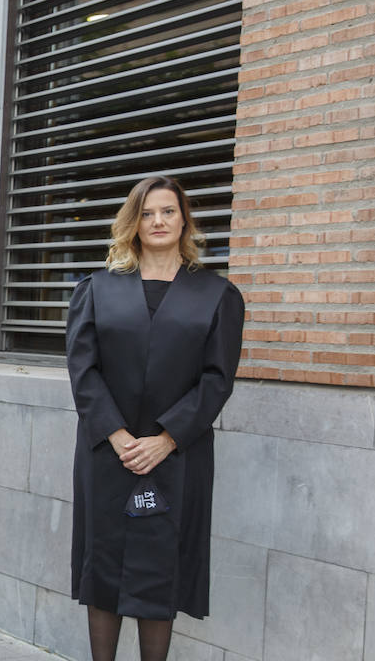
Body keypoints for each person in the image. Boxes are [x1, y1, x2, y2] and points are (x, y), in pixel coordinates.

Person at [66, 176, 244, 661]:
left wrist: (166, 439)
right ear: (133, 223)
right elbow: (83, 370)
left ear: (184, 219)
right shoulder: (97, 289)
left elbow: (217, 378)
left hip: (176, 455)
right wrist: (118, 435)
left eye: (167, 211)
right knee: (104, 566)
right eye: (147, 213)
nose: (158, 221)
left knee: (158, 567)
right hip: (108, 452)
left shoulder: (216, 294)